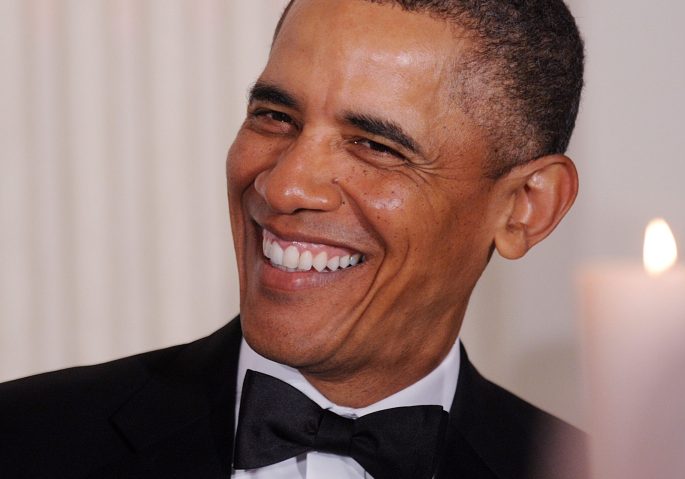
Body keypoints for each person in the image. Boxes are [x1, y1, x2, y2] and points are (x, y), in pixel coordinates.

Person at [0, 1, 585, 478]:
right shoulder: (23, 440)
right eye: (275, 116)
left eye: (375, 145)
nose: (283, 187)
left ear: (524, 207)